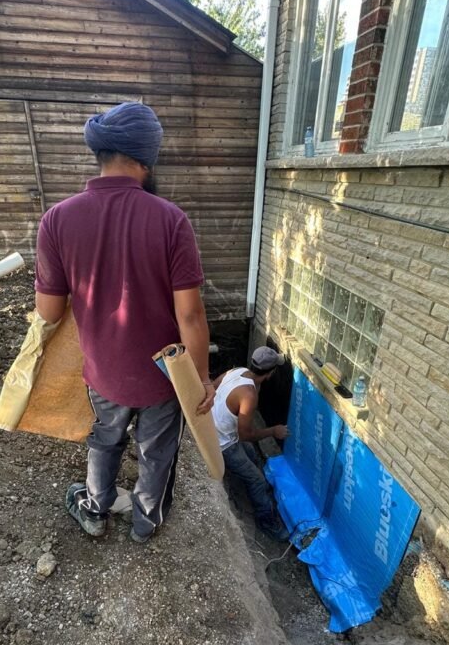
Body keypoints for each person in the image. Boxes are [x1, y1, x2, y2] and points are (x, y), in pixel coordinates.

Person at [34, 102, 214, 545]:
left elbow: (50, 312)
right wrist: (202, 379)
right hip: (162, 376)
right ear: (145, 157)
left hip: (103, 371)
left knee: (105, 439)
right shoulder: (171, 219)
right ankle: (145, 522)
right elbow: (189, 313)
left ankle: (95, 508)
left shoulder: (56, 220)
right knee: (157, 452)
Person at [213, 347, 289, 540]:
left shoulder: (236, 371)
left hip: (214, 431)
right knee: (256, 479)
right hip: (223, 443)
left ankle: (259, 492)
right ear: (270, 373)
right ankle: (267, 522)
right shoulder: (249, 395)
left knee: (252, 455)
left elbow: (212, 386)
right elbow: (245, 434)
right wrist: (273, 431)